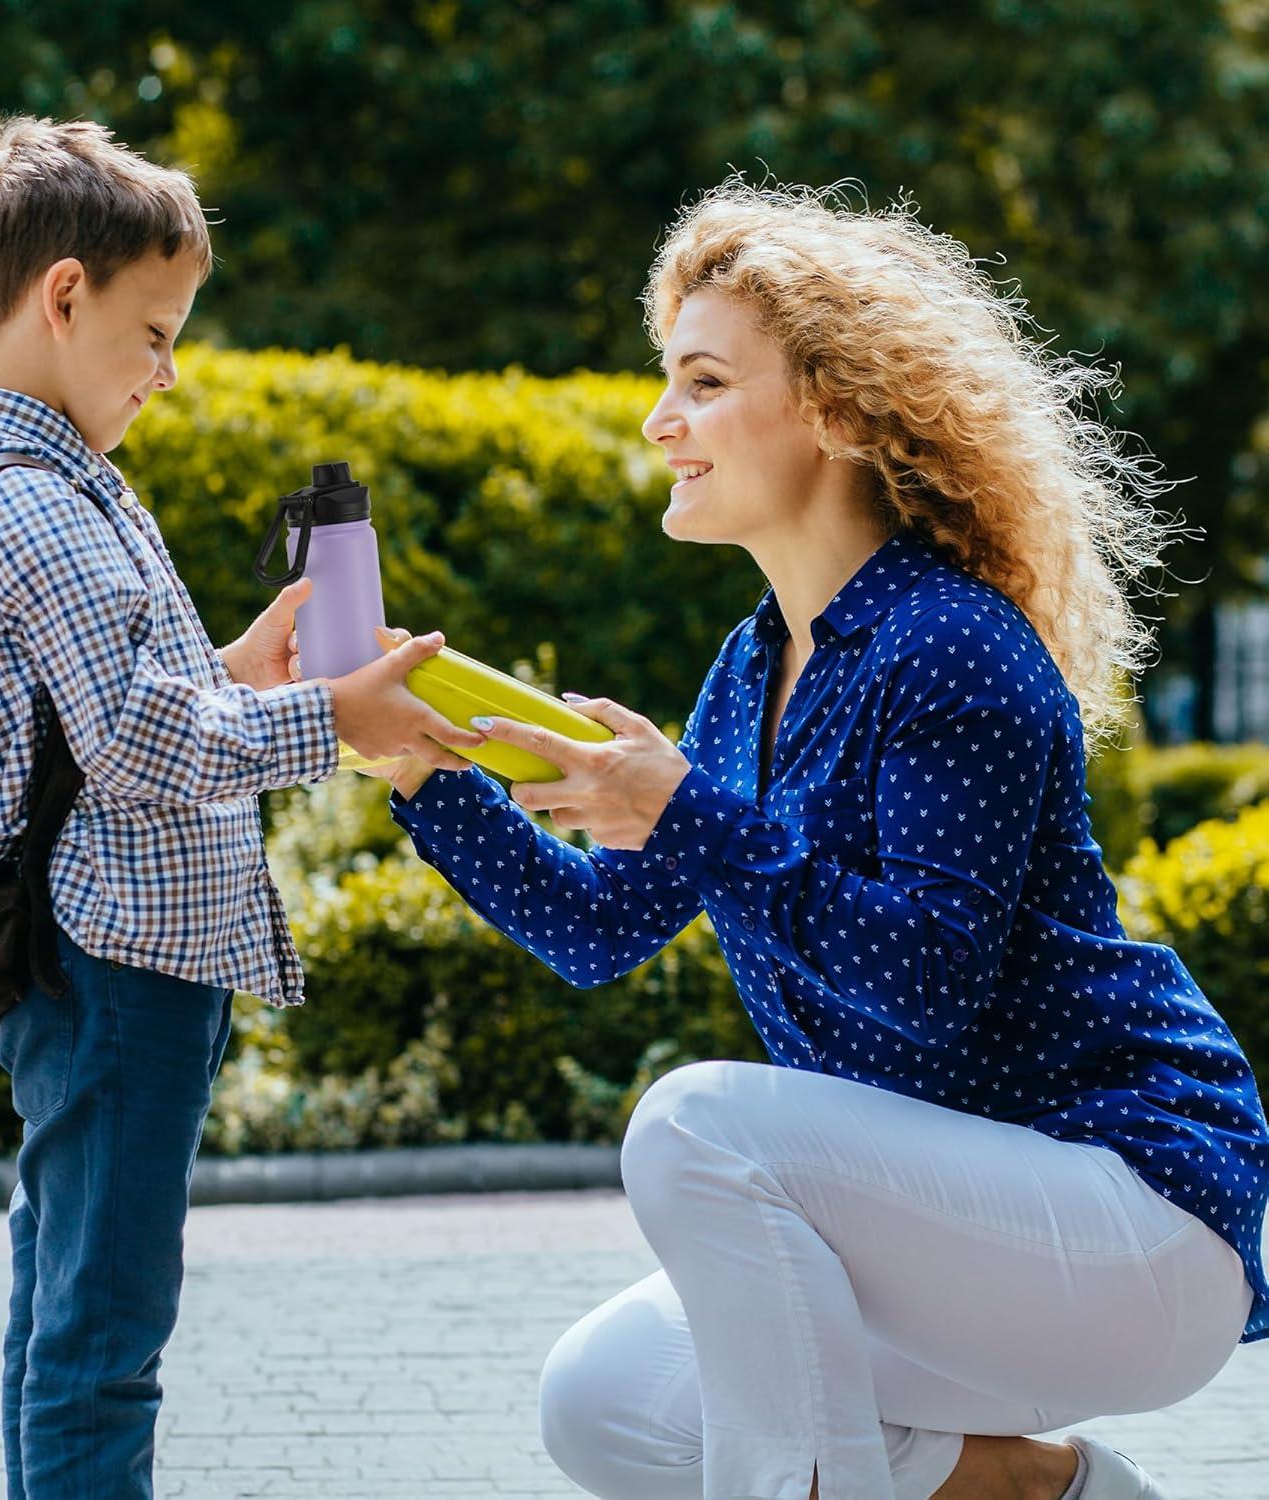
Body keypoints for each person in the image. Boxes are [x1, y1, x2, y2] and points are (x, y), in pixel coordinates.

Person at [343, 183, 1269, 1499]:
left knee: (695, 1127)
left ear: (834, 409)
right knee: (606, 1400)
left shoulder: (952, 646)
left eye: (704, 381)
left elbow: (930, 986)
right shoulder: (752, 668)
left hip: (1135, 1215)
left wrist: (690, 813)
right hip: (959, 1229)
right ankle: (1048, 1489)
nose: (662, 422)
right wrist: (426, 774)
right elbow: (602, 930)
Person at [0, 114, 483, 1497]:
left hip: (110, 954)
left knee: (63, 1313)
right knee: (104, 1338)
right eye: (158, 332)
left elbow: (113, 707)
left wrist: (231, 670)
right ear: (66, 297)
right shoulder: (38, 508)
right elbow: (127, 743)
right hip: (125, 965)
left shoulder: (40, 487)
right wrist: (329, 719)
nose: (169, 373)